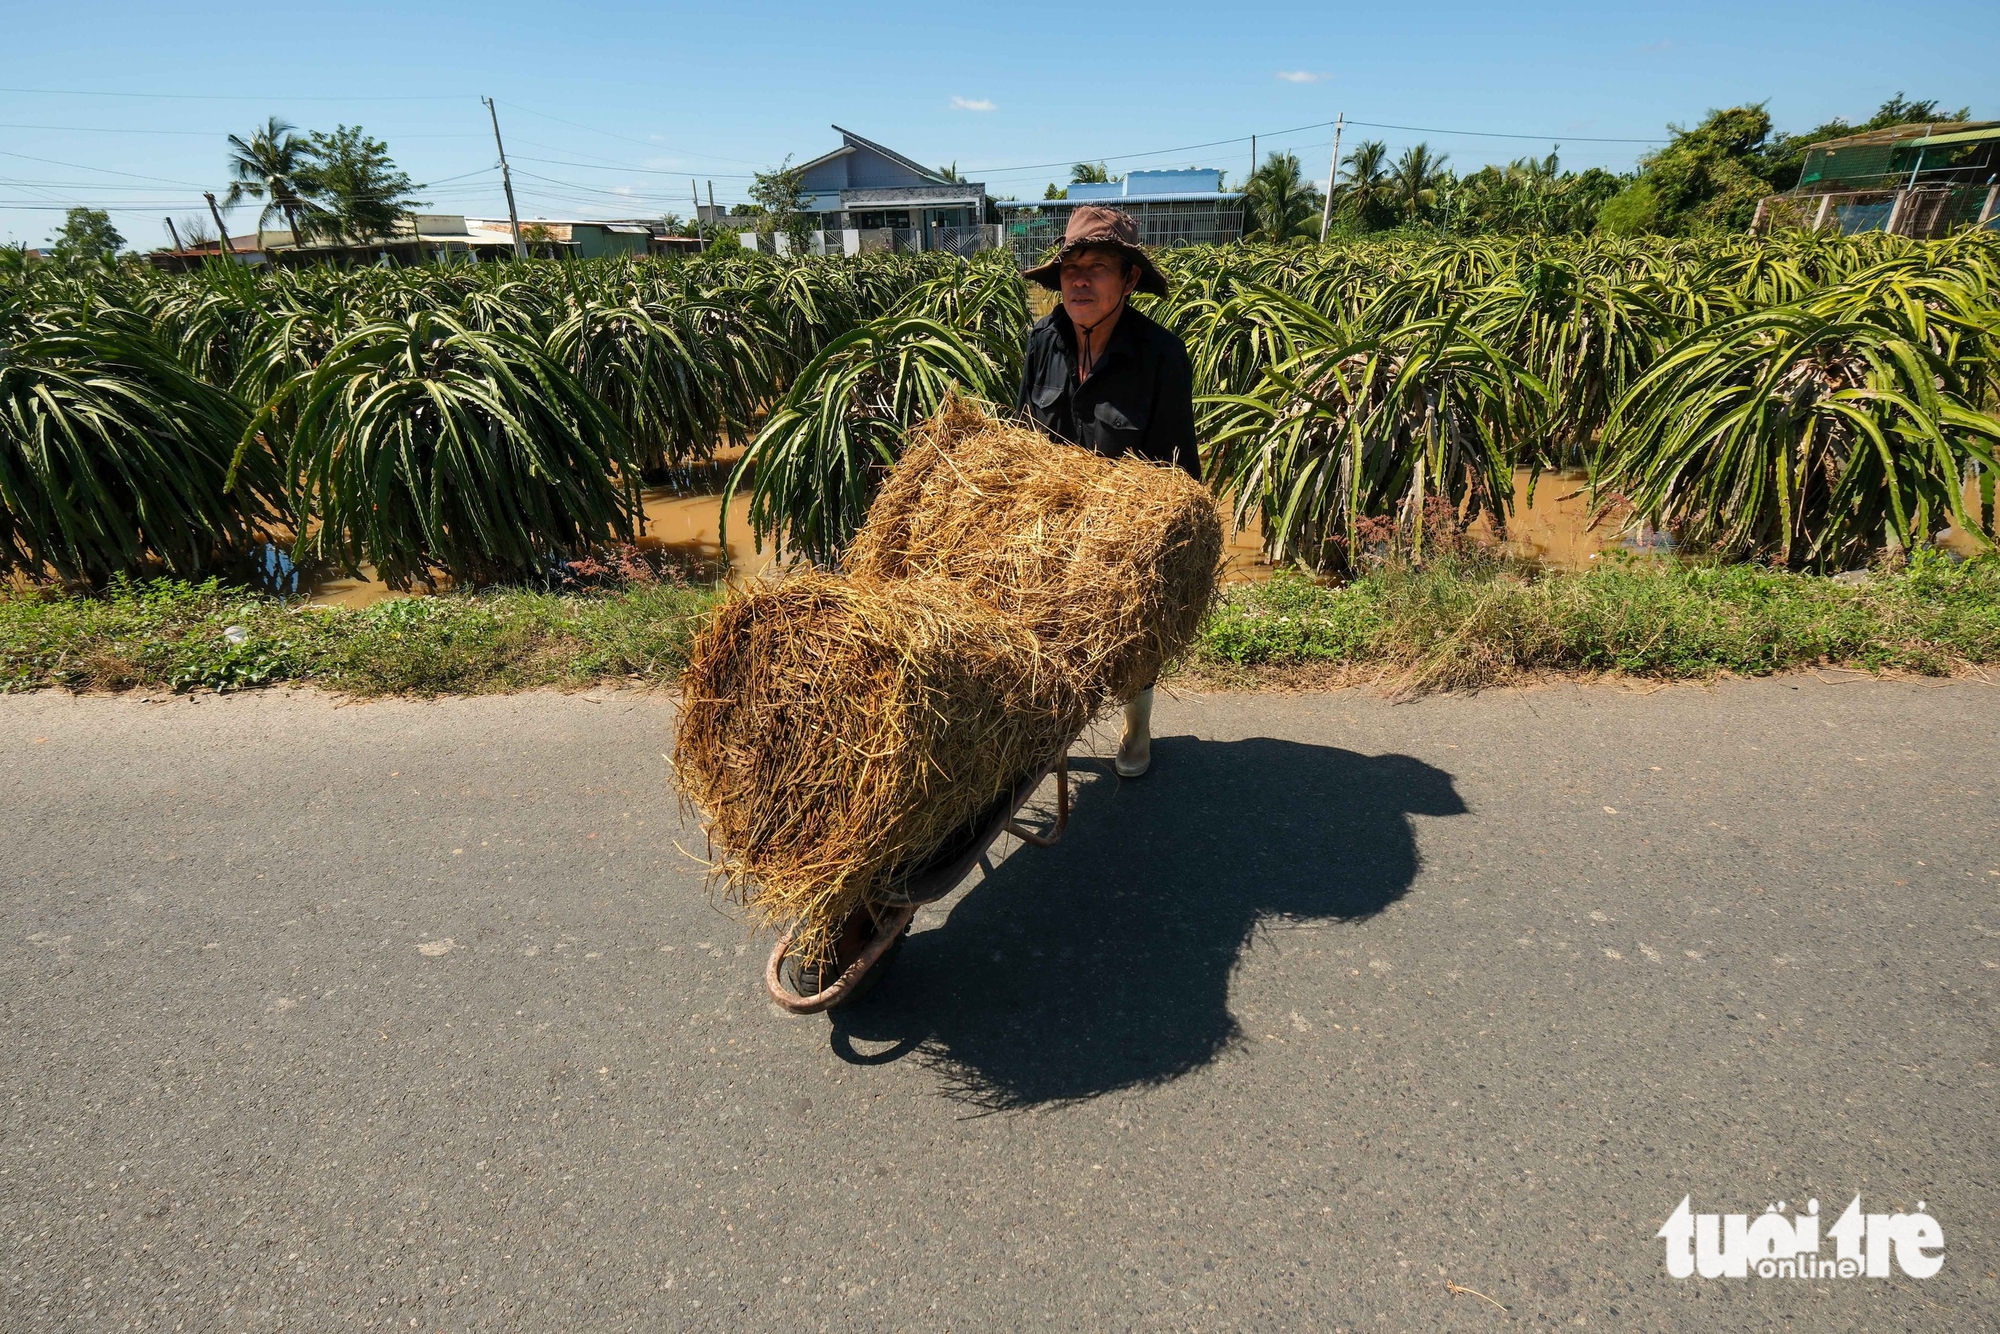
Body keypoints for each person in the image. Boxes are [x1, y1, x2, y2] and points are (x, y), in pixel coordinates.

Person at [1017, 205, 1200, 780]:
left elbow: (1177, 474)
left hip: (1124, 536)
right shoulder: (1042, 341)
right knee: (1038, 629)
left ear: (1130, 279)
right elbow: (1019, 438)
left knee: (1133, 637)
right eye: (1071, 266)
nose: (1079, 279)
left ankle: (1137, 723)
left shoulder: (1161, 356)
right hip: (1051, 523)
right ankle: (1045, 725)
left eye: (1097, 266)